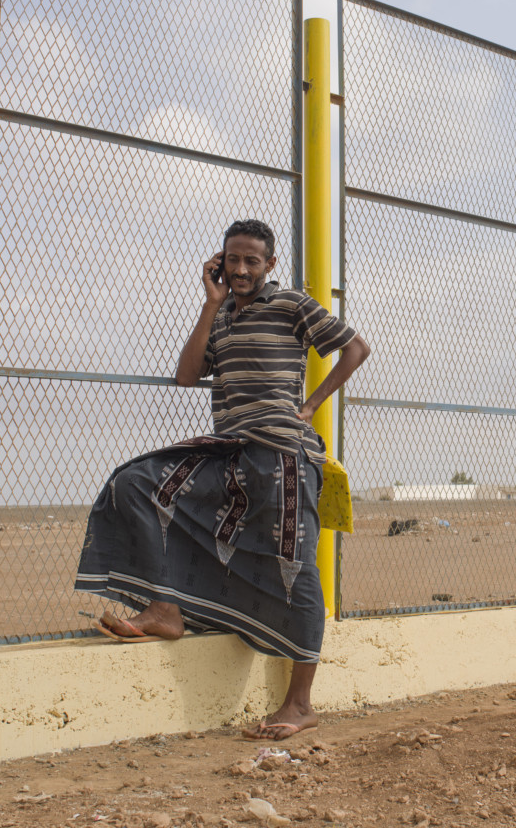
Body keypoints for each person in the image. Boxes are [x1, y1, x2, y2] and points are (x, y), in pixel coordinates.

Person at [75, 218, 370, 740]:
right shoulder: (222, 315)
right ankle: (166, 608)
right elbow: (187, 375)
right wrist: (210, 304)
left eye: (251, 260)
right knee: (136, 483)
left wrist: (311, 406)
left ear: (269, 264)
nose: (240, 269)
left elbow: (356, 348)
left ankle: (300, 704)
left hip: (282, 453)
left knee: (294, 568)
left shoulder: (291, 304)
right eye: (232, 259)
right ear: (219, 262)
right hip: (230, 450)